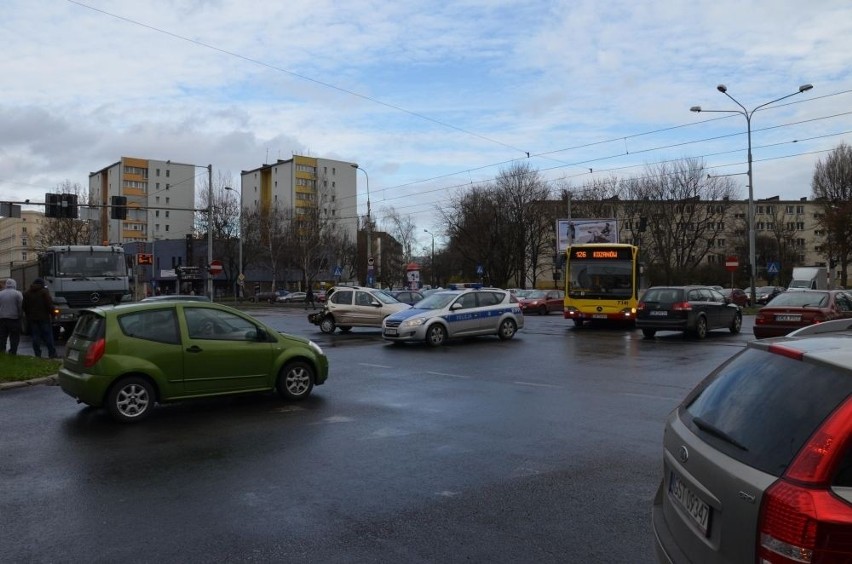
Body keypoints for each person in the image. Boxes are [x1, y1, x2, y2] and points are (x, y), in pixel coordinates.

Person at [22, 278, 57, 359]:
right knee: (48, 335)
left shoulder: (27, 293)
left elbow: (24, 307)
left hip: (32, 319)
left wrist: (28, 315)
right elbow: (49, 305)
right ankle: (52, 353)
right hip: (44, 318)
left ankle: (37, 354)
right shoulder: (44, 292)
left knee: (35, 336)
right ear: (42, 284)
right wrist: (53, 314)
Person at [0, 279, 24, 355]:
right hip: (14, 318)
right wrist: (20, 315)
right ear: (14, 284)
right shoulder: (17, 294)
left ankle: (2, 350)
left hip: (2, 318)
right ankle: (13, 351)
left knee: (2, 336)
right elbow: (20, 306)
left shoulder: (1, 293)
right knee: (14, 337)